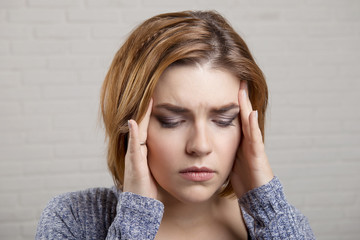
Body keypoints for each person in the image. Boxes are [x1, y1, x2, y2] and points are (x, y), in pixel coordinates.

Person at [36, 10, 315, 239]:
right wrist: (137, 218)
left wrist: (267, 203)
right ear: (129, 123)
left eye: (224, 120)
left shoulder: (281, 225)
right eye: (172, 121)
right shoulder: (72, 219)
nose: (200, 146)